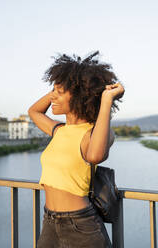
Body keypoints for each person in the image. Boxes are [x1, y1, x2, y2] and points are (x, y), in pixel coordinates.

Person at [28, 51, 124, 248]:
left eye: (59, 92)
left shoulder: (93, 133)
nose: (52, 96)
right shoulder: (60, 131)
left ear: (79, 95)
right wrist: (59, 85)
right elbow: (34, 111)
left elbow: (95, 155)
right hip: (49, 221)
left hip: (80, 225)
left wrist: (106, 100)